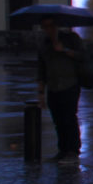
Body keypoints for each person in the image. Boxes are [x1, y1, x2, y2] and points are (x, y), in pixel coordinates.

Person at [35, 16, 86, 161]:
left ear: (56, 26)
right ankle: (63, 149)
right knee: (58, 120)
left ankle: (73, 150)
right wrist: (40, 92)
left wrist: (64, 50)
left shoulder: (71, 39)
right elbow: (41, 69)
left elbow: (82, 56)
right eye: (44, 26)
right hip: (53, 86)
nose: (47, 29)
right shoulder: (44, 44)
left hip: (69, 84)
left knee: (69, 117)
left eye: (50, 26)